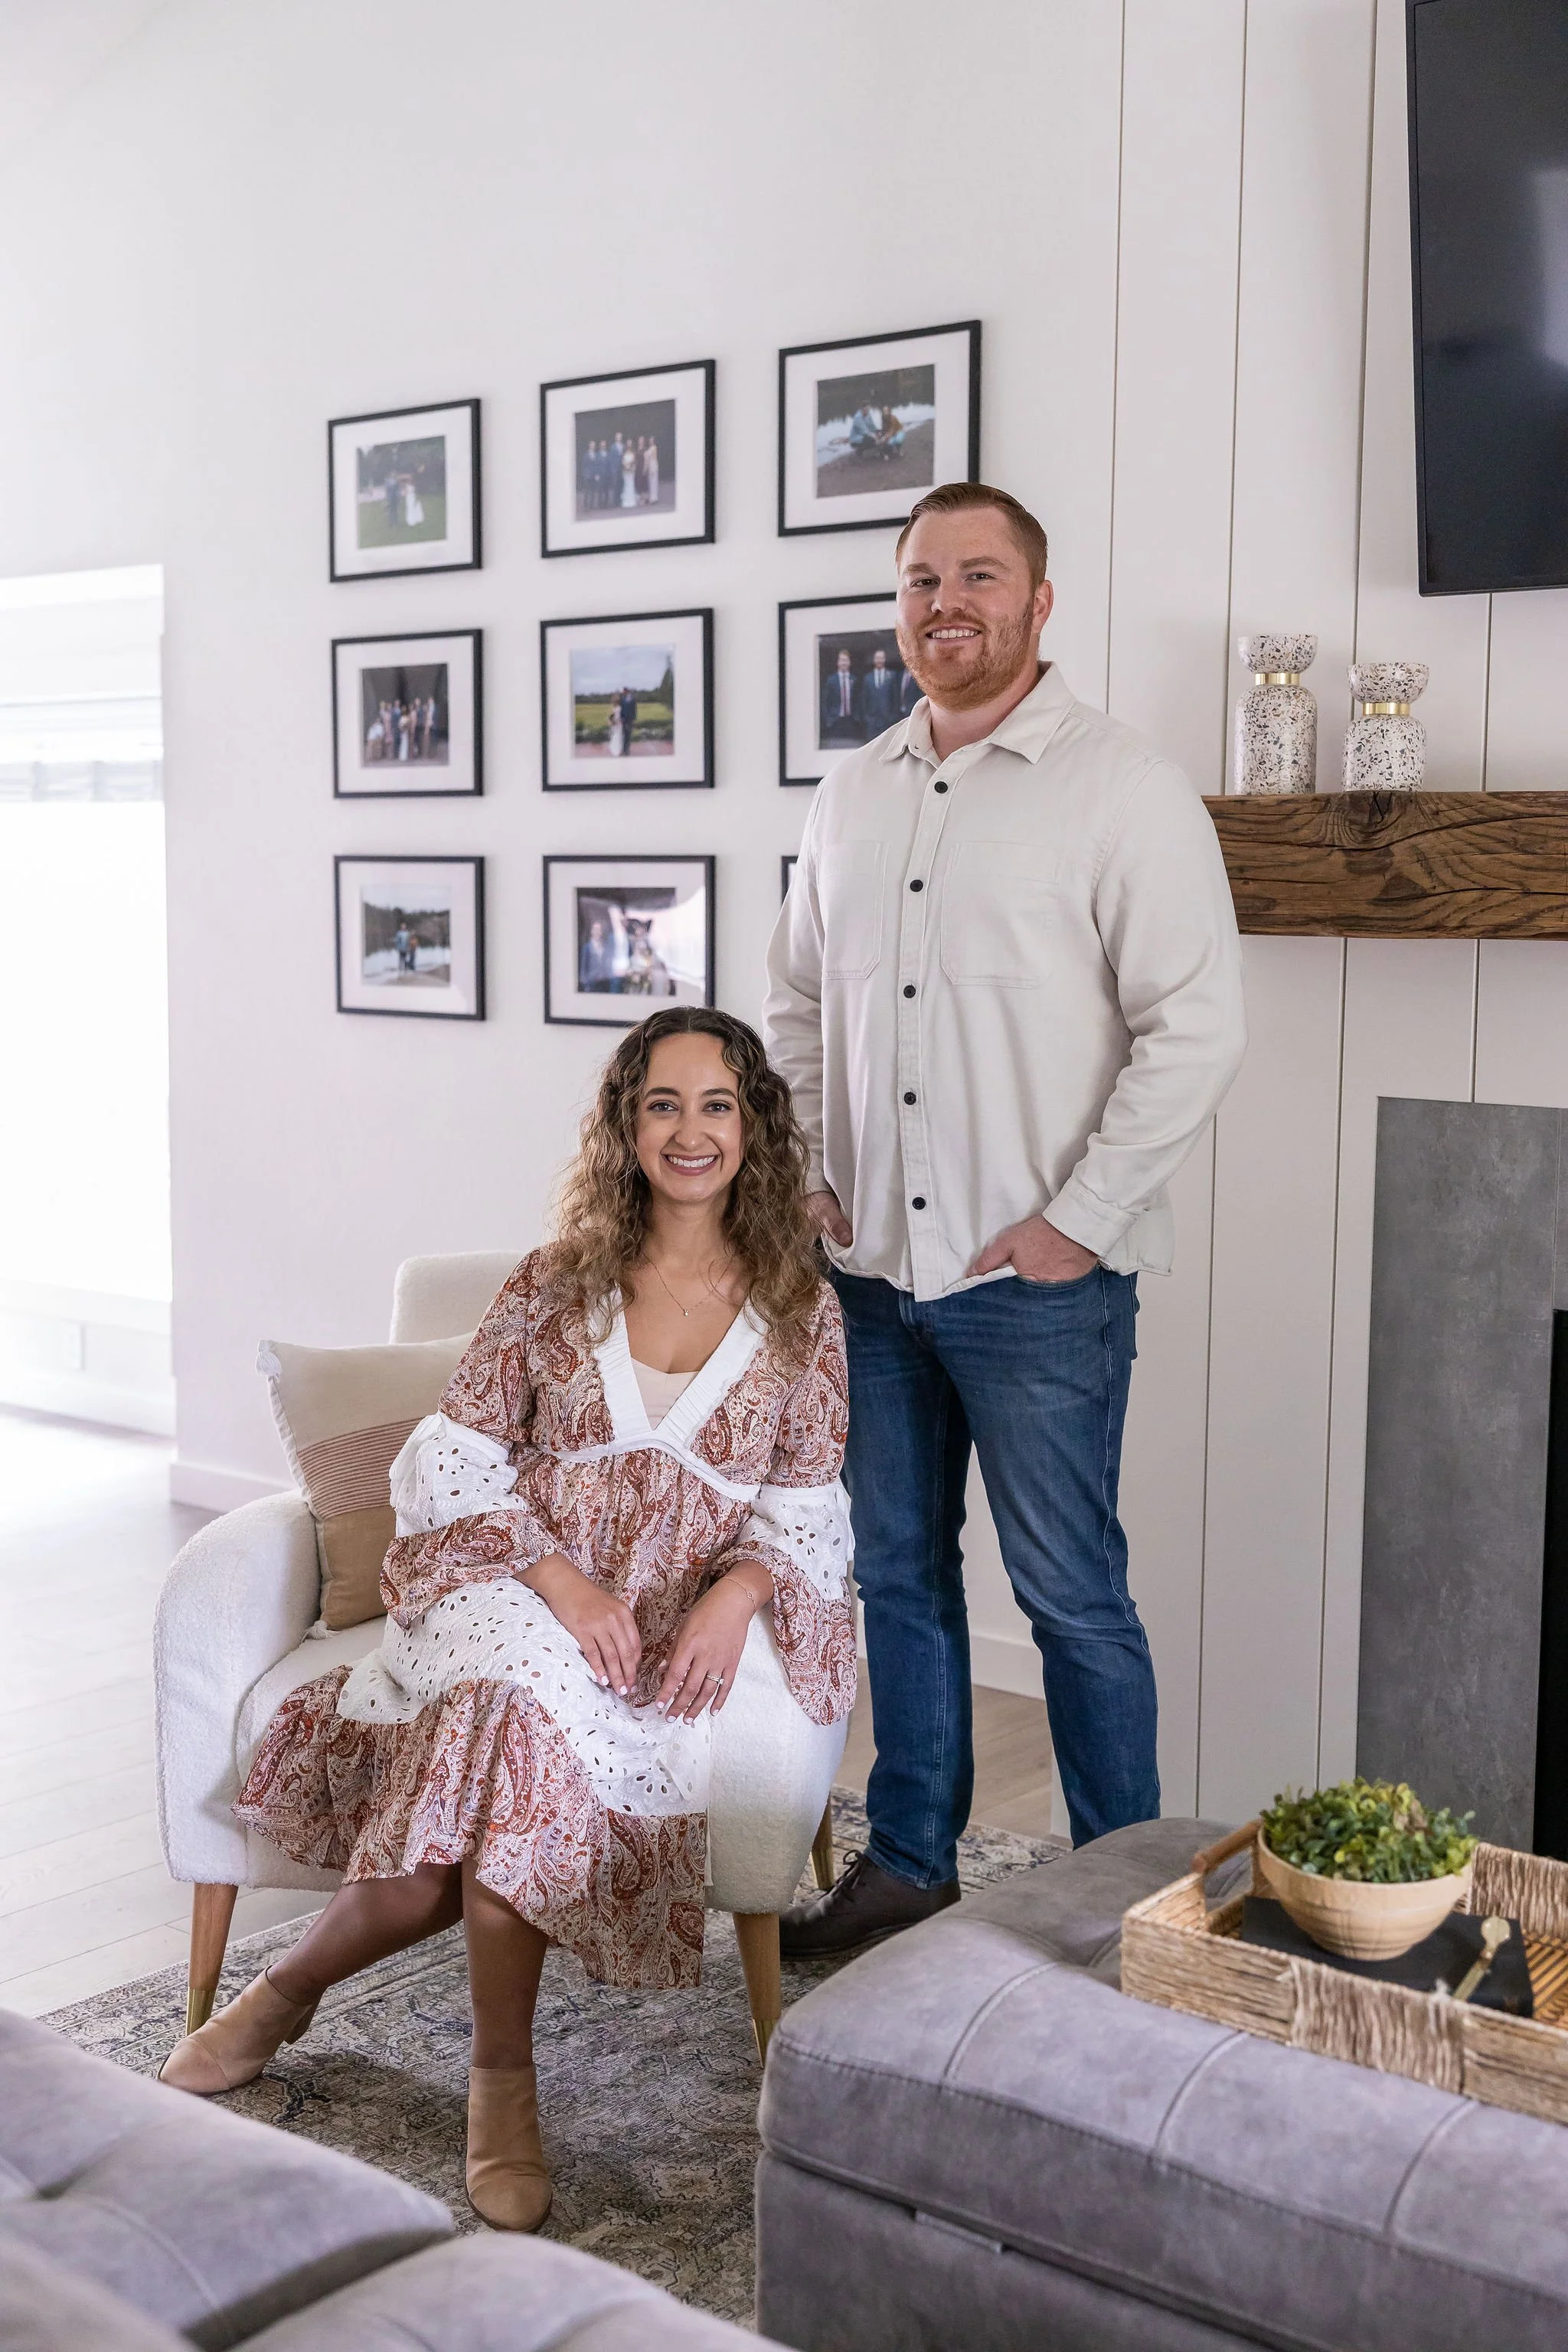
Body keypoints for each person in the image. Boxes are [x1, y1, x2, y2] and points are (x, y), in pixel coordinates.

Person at [158, 1008, 856, 2232]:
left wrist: (738, 1593)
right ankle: (502, 2085)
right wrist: (563, 1584)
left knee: (465, 1828)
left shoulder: (803, 1310)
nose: (690, 1132)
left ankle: (285, 1994)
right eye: (662, 1104)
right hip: (516, 1583)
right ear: (625, 1124)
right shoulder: (555, 1281)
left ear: (754, 1127)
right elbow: (459, 1457)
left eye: (717, 1105)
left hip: (661, 1623)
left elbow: (806, 1502)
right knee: (513, 1720)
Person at [764, 480, 1245, 1956]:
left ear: (1038, 603)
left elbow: (1196, 1026)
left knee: (1071, 1600)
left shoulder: (1122, 787)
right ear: (897, 607)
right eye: (921, 579)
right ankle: (912, 1860)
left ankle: (1125, 1903)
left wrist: (1076, 1220)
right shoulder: (850, 793)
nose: (945, 603)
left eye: (978, 576)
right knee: (898, 1580)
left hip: (1038, 1288)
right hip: (868, 1277)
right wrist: (809, 1174)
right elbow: (794, 1005)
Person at [819, 647, 862, 746]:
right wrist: (828, 720)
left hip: (851, 721)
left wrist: (858, 718)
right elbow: (825, 702)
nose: (844, 663)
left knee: (851, 747)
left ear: (849, 663)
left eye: (846, 660)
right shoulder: (831, 680)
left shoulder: (854, 679)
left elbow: (859, 700)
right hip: (835, 721)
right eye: (842, 660)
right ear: (838, 663)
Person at [859, 645, 901, 733]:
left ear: (885, 659)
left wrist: (893, 717)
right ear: (874, 660)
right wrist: (867, 718)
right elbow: (863, 699)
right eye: (877, 658)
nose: (879, 661)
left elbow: (896, 698)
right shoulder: (867, 678)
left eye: (881, 658)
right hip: (872, 720)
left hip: (888, 720)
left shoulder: (892, 676)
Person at [644, 436, 660, 506]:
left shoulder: (654, 448)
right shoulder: (649, 448)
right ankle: (651, 497)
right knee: (650, 482)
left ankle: (654, 498)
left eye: (652, 440)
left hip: (653, 465)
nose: (651, 441)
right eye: (650, 440)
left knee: (654, 482)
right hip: (649, 466)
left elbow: (654, 457)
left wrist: (653, 467)